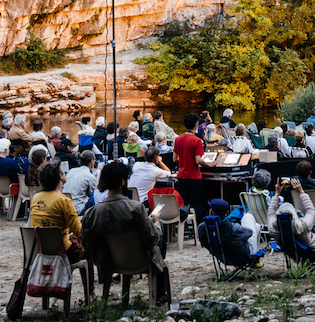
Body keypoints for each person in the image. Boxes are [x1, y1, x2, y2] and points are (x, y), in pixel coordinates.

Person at [81, 161, 171, 303]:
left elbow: (87, 243)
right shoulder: (136, 209)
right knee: (160, 237)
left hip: (108, 262)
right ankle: (159, 292)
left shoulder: (92, 213)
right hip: (141, 259)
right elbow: (151, 238)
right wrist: (156, 223)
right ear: (123, 181)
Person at [29, 160, 85, 263]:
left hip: (41, 248)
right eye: (63, 172)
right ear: (60, 176)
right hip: (62, 250)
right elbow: (79, 232)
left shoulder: (36, 198)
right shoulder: (64, 201)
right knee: (88, 248)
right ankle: (90, 279)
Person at [268, 177, 315, 255]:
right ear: (294, 214)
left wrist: (277, 194)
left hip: (291, 254)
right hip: (312, 253)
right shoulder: (303, 225)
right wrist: (301, 192)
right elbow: (311, 211)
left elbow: (270, 214)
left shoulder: (273, 229)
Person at [198, 198, 262, 268]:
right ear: (227, 212)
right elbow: (249, 233)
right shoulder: (234, 228)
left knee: (257, 226)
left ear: (210, 212)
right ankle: (254, 261)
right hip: (243, 257)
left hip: (223, 258)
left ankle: (254, 262)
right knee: (248, 216)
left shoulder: (202, 228)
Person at [173, 113, 213, 220]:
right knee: (199, 202)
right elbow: (198, 160)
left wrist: (184, 162)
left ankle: (185, 224)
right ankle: (198, 224)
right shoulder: (197, 141)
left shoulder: (178, 139)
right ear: (196, 124)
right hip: (194, 177)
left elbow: (174, 159)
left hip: (181, 175)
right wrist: (210, 164)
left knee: (184, 202)